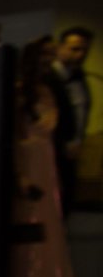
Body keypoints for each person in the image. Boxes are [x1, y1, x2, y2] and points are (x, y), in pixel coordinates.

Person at [9, 38, 86, 277]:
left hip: (47, 165)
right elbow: (14, 136)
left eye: (50, 55)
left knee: (47, 232)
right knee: (27, 232)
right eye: (44, 54)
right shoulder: (20, 91)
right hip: (29, 164)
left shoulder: (50, 90)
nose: (48, 59)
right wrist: (19, 174)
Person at [45, 26, 94, 215]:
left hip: (72, 151)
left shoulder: (80, 78)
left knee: (66, 201)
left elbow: (81, 112)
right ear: (61, 48)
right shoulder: (49, 78)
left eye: (84, 50)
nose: (80, 55)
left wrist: (78, 140)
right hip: (52, 150)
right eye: (75, 49)